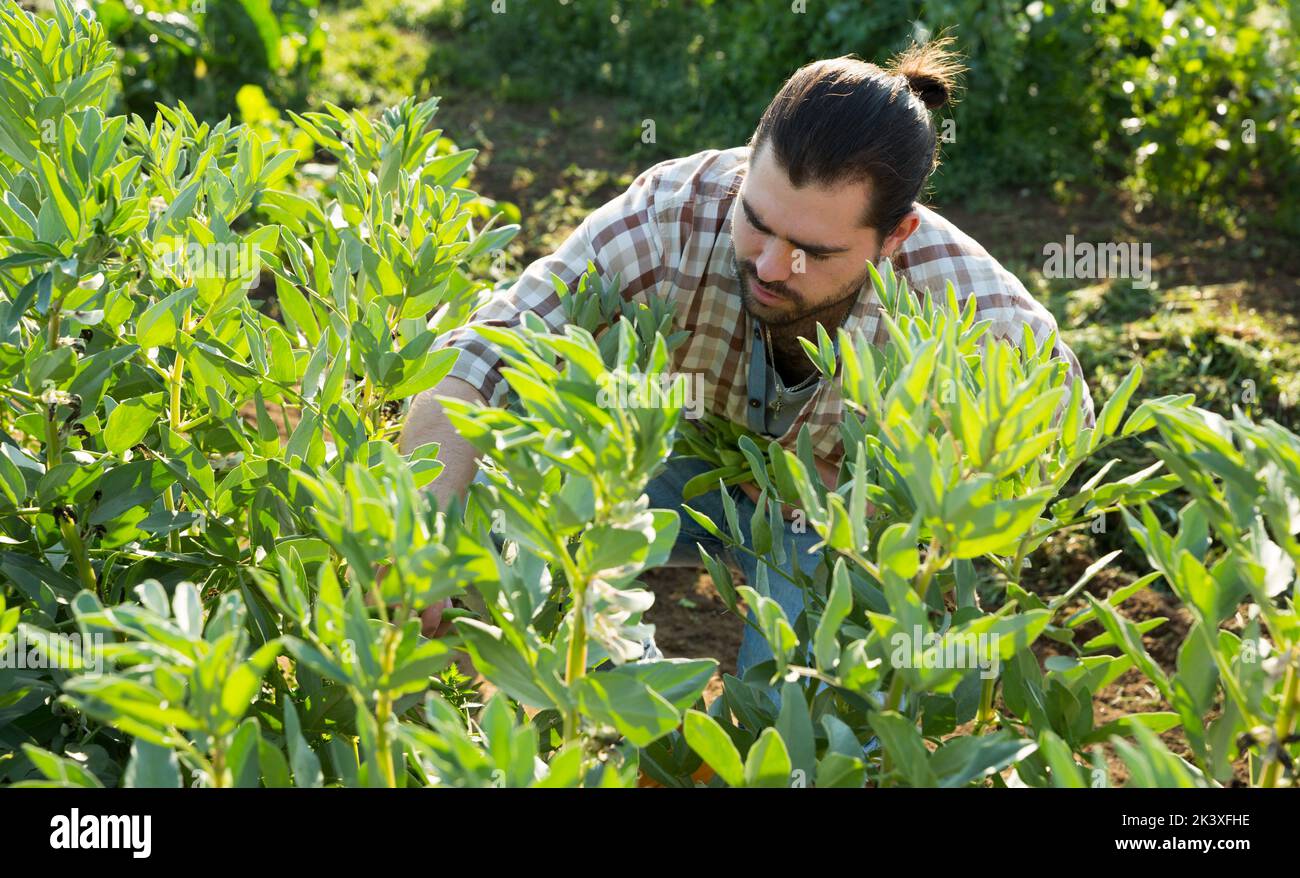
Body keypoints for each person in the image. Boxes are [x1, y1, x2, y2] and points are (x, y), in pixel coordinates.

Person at [399, 39, 1096, 678]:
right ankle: (644, 718)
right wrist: (425, 524)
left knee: (794, 709)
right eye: (755, 221)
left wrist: (879, 506)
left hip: (832, 527)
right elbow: (480, 354)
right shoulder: (672, 214)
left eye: (812, 252)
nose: (767, 264)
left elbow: (1053, 443)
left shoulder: (972, 314)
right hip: (674, 458)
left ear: (895, 237)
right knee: (500, 505)